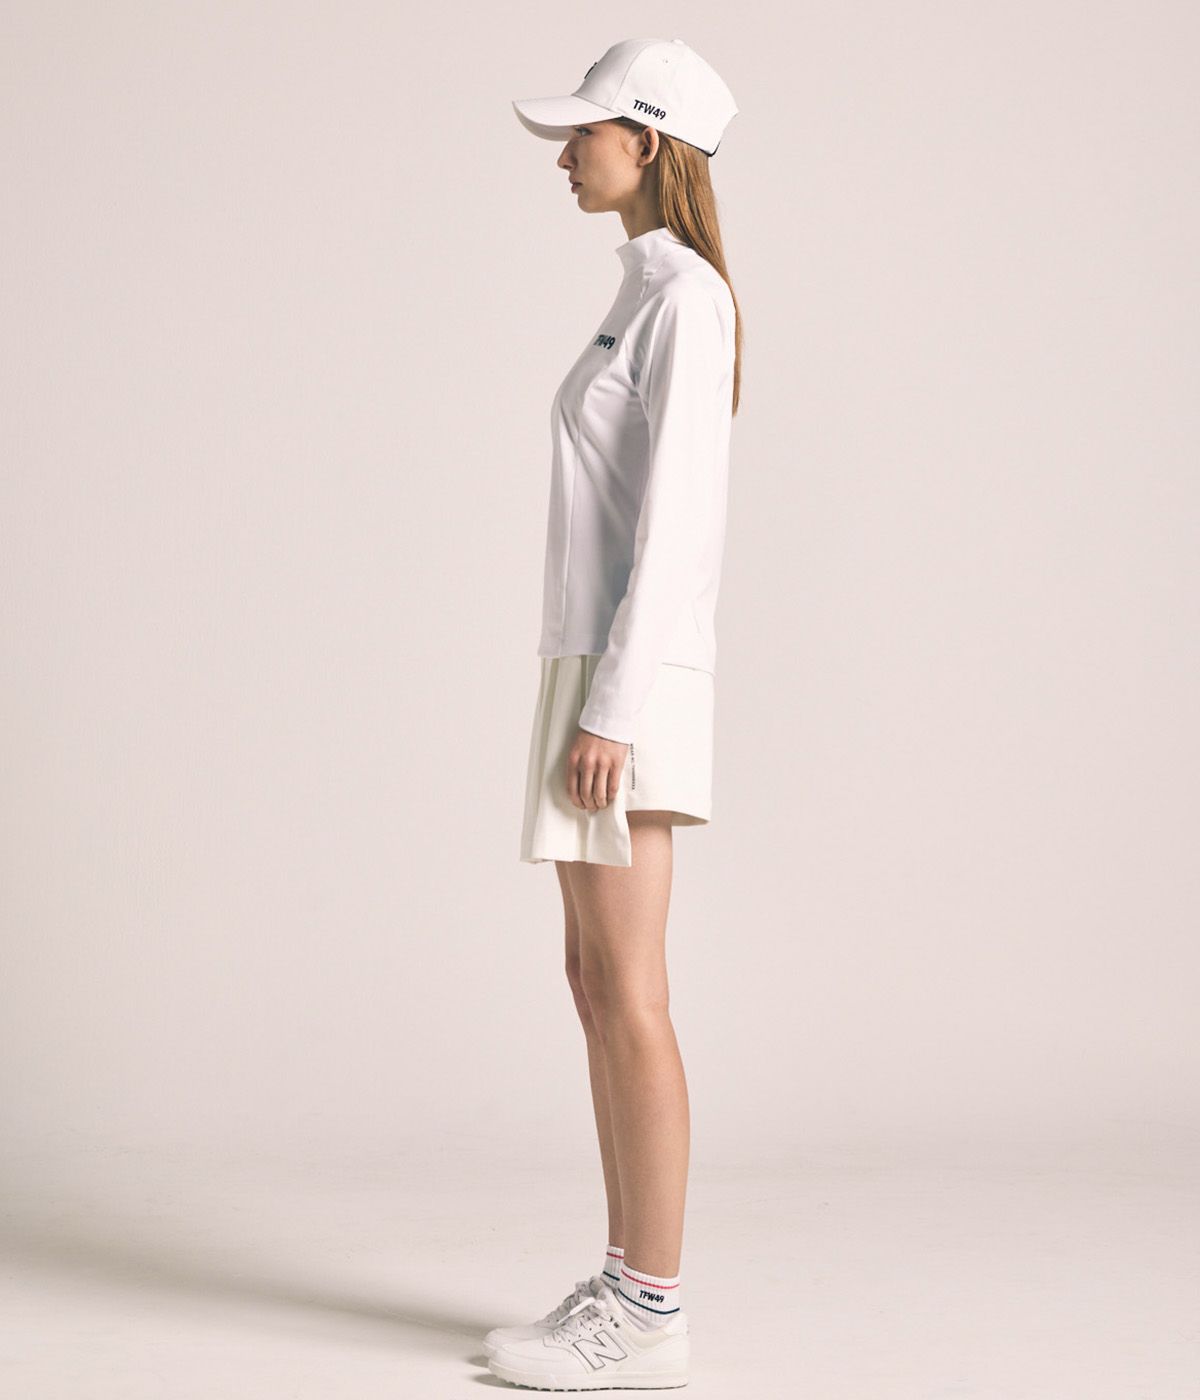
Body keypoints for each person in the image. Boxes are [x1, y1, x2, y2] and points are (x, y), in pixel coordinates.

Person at [488, 37, 742, 1391]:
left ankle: (650, 1312)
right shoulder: (639, 293)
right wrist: (585, 693)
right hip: (587, 673)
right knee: (593, 984)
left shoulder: (687, 299)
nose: (565, 154)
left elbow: (679, 529)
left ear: (646, 143)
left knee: (631, 992)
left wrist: (616, 711)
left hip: (625, 688)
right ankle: (625, 1280)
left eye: (583, 133)